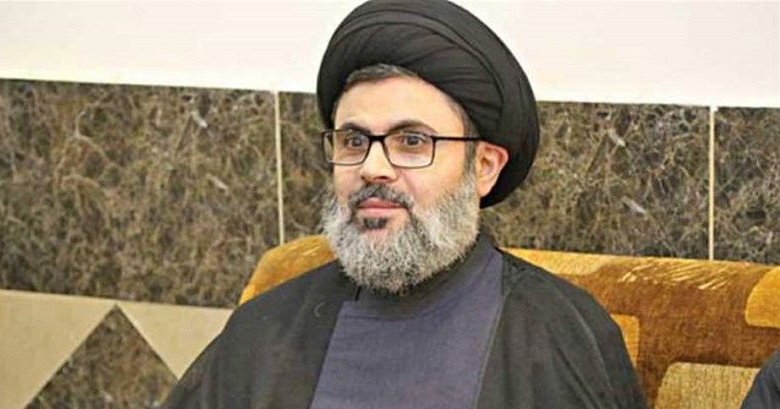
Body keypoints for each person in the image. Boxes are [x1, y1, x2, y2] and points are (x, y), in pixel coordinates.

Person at [161, 0, 647, 408]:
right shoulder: (265, 332)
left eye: (412, 141)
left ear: (484, 167)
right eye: (354, 141)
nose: (373, 168)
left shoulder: (561, 337)